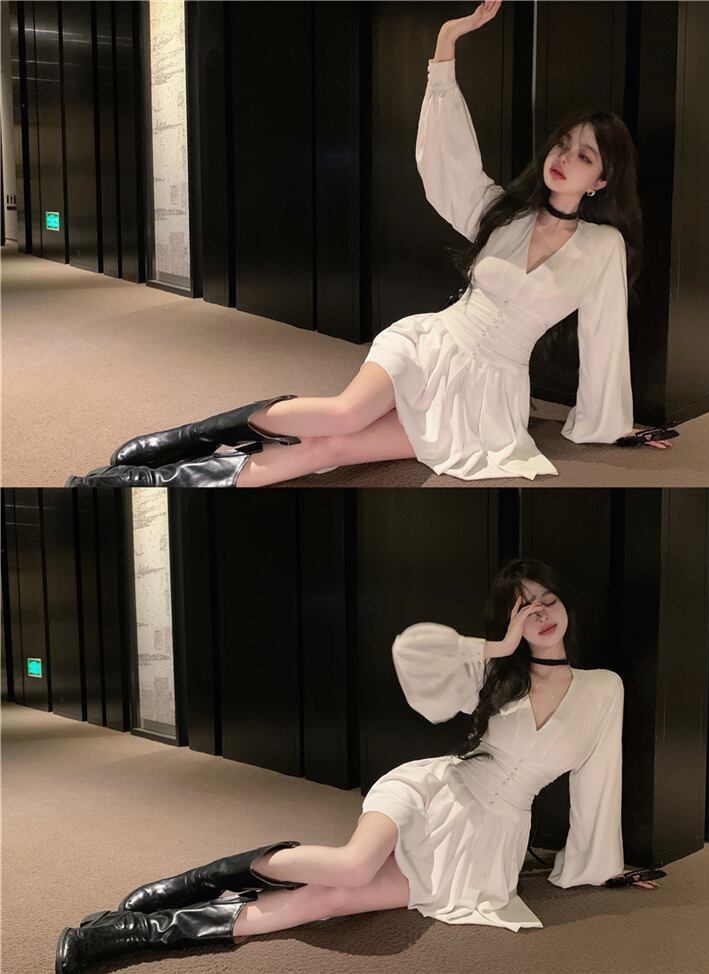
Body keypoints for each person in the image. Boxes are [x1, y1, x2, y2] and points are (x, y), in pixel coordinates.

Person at [65, 0, 671, 489]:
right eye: (563, 144)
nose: (564, 157)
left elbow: (605, 338)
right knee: (345, 414)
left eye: (584, 155)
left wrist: (613, 425)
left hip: (485, 397)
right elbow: (447, 164)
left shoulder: (601, 249)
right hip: (431, 345)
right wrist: (446, 45)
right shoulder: (505, 212)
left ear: (602, 180)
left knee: (333, 449)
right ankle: (182, 439)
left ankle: (147, 479)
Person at [55, 557, 659, 972]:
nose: (541, 613)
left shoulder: (603, 688)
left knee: (329, 901)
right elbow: (410, 650)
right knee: (351, 866)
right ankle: (197, 881)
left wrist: (603, 867)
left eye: (548, 600)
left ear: (565, 605)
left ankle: (125, 934)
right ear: (510, 621)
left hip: (483, 845)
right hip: (434, 792)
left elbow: (598, 781)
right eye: (525, 608)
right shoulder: (494, 671)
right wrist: (499, 647)